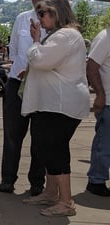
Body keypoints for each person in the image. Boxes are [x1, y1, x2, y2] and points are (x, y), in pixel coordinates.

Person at [20, 0, 88, 217]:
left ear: (57, 13)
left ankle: (66, 202)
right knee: (48, 149)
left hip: (60, 105)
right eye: (38, 13)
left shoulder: (64, 36)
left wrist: (35, 41)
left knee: (56, 151)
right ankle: (51, 193)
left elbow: (41, 61)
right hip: (54, 104)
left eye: (43, 13)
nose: (39, 18)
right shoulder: (64, 35)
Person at [0, 0, 46, 196]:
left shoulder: (57, 22)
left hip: (42, 85)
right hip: (17, 82)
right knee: (12, 134)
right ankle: (8, 179)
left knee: (40, 136)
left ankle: (36, 181)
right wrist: (21, 71)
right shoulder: (22, 18)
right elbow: (15, 50)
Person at [85, 27, 110, 197]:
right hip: (108, 101)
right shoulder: (106, 37)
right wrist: (100, 94)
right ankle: (96, 180)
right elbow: (91, 67)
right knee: (104, 145)